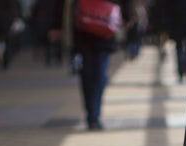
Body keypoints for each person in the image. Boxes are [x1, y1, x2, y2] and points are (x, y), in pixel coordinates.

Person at [51, 0, 128, 130]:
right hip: (91, 30)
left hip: (94, 31)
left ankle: (92, 113)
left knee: (94, 75)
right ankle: (93, 114)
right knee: (93, 75)